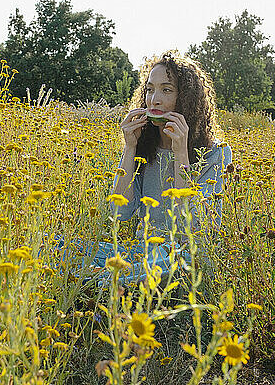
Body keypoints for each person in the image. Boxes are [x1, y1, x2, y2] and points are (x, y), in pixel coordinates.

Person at [53, 51, 232, 285]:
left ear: (187, 98)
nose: (154, 100)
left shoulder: (215, 154)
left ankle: (102, 283)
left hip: (183, 257)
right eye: (149, 89)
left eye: (166, 90)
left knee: (162, 265)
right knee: (55, 244)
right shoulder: (144, 145)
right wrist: (129, 148)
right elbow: (120, 212)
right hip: (141, 251)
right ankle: (106, 281)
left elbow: (192, 226)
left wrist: (180, 153)